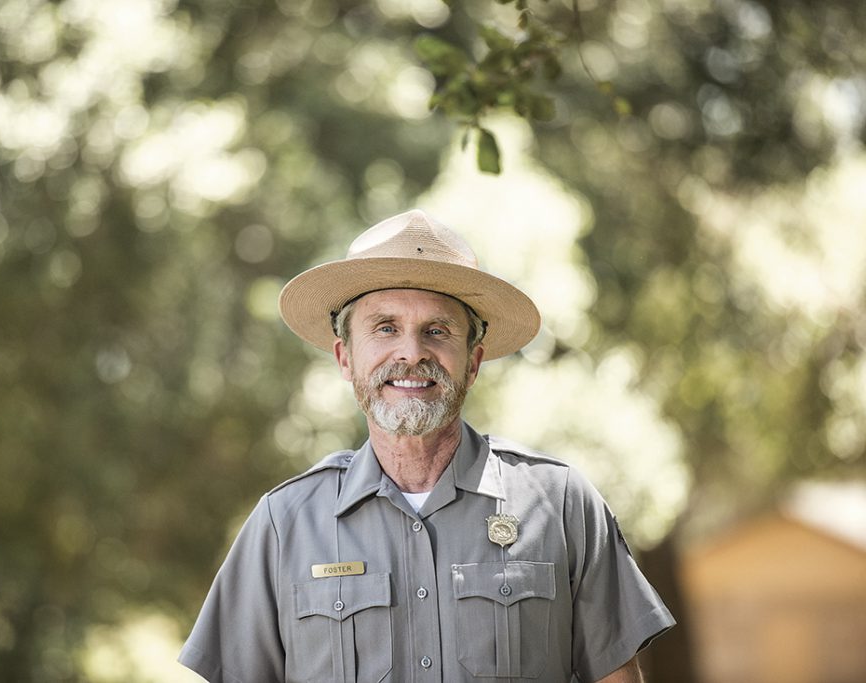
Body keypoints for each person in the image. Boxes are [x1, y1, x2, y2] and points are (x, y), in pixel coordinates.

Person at [178, 209, 675, 682]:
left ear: (473, 360)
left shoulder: (562, 504)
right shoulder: (283, 525)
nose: (412, 352)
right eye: (385, 328)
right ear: (345, 358)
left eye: (436, 331)